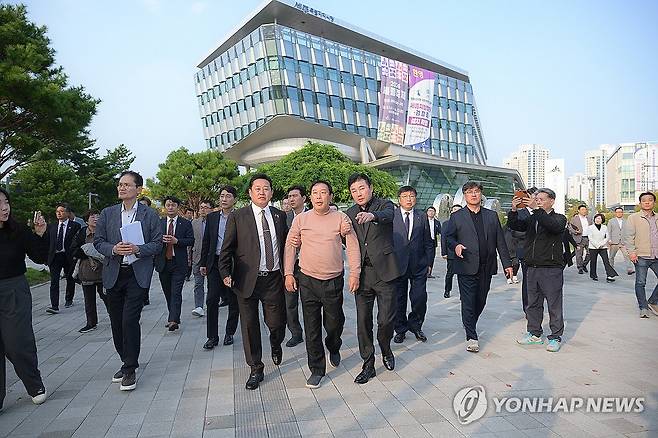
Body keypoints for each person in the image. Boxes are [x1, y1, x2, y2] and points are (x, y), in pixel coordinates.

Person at [284, 180, 360, 389]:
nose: (319, 196)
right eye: (315, 193)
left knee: (334, 323)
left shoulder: (341, 218)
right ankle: (317, 369)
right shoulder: (301, 219)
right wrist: (289, 273)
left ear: (331, 196)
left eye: (323, 192)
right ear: (310, 197)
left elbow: (352, 246)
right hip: (307, 279)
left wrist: (355, 273)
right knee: (312, 327)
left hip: (333, 280)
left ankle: (333, 345)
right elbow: (290, 246)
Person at [94, 170, 162, 391]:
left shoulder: (149, 215)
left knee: (129, 320)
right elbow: (98, 241)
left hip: (136, 273)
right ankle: (126, 360)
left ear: (138, 189)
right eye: (120, 185)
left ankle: (130, 368)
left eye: (127, 185)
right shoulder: (108, 213)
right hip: (114, 273)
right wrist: (113, 248)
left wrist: (137, 249)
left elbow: (157, 244)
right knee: (116, 322)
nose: (121, 188)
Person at [219, 174, 288, 390]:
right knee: (249, 326)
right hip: (246, 280)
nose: (261, 192)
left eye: (266, 188)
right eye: (257, 188)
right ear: (250, 192)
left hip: (274, 279)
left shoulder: (279, 216)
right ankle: (256, 368)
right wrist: (225, 273)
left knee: (276, 323)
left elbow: (287, 246)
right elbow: (227, 248)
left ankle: (276, 343)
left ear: (271, 192)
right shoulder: (238, 216)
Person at [345, 173, 401, 384]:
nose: (358, 193)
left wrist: (373, 216)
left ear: (370, 188)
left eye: (361, 188)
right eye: (353, 190)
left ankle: (385, 347)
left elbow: (389, 215)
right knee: (363, 321)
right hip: (363, 275)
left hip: (386, 273)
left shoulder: (384, 205)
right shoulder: (349, 213)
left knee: (385, 320)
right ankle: (368, 364)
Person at [445, 181, 512, 353]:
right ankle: (471, 336)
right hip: (466, 265)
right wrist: (456, 246)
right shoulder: (457, 216)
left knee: (480, 300)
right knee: (468, 302)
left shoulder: (491, 215)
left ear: (481, 194)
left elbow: (500, 242)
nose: (473, 194)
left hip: (486, 266)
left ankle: (469, 323)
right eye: (469, 192)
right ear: (465, 196)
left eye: (476, 191)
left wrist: (507, 264)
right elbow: (449, 237)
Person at [0, 188, 49, 408]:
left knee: (17, 343)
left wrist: (40, 234)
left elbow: (39, 257)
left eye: (6, 202)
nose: (4, 207)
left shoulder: (18, 230)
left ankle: (34, 384)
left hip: (14, 291)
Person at [508, 188, 567, 352]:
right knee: (532, 303)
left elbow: (552, 227)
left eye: (541, 199)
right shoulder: (533, 218)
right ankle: (534, 333)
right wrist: (513, 210)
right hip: (532, 267)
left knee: (554, 304)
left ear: (552, 201)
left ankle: (555, 336)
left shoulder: (559, 219)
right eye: (536, 198)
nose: (538, 201)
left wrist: (535, 209)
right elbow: (515, 226)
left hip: (551, 268)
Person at [392, 186, 434, 344]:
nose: (408, 199)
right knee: (399, 299)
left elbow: (429, 242)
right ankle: (400, 329)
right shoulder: (393, 216)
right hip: (398, 265)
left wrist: (430, 262)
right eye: (405, 196)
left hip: (419, 265)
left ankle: (416, 325)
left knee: (419, 298)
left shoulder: (422, 216)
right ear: (399, 199)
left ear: (416, 198)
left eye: (411, 196)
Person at [200, 186, 240, 349]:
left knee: (233, 299)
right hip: (215, 263)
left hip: (234, 263)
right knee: (211, 299)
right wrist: (203, 263)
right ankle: (212, 336)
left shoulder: (240, 216)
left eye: (228, 196)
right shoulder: (212, 217)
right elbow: (207, 241)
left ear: (234, 200)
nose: (224, 199)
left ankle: (230, 332)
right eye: (222, 196)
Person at [155, 196, 194, 331]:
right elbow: (153, 240)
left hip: (179, 263)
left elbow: (191, 240)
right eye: (168, 205)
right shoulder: (159, 223)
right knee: (168, 292)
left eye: (173, 205)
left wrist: (177, 241)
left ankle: (173, 320)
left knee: (176, 292)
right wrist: (161, 239)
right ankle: (173, 315)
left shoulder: (185, 223)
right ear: (165, 207)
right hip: (163, 262)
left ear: (178, 207)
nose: (170, 207)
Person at [622, 192, 658, 318]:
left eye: (650, 200)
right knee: (641, 282)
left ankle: (653, 302)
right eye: (644, 200)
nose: (647, 202)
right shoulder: (634, 218)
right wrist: (631, 252)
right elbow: (629, 237)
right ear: (640, 203)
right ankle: (643, 307)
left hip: (656, 256)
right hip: (641, 255)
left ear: (654, 202)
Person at [71, 210, 106, 333]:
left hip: (103, 270)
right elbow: (73, 249)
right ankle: (91, 323)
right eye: (92, 217)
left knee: (107, 297)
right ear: (86, 220)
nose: (96, 219)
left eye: (98, 216)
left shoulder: (105, 231)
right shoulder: (81, 233)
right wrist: (86, 252)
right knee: (89, 300)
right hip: (86, 270)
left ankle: (117, 318)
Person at [46, 202, 81, 313]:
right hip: (55, 256)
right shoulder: (52, 226)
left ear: (68, 213)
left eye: (62, 211)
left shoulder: (75, 226)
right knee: (54, 281)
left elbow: (77, 242)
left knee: (70, 278)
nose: (59, 213)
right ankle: (54, 305)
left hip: (68, 256)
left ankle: (68, 298)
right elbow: (48, 242)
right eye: (57, 211)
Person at [284, 185, 307, 348]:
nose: (291, 199)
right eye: (289, 196)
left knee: (309, 302)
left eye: (295, 196)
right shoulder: (283, 217)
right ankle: (295, 333)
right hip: (291, 266)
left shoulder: (314, 215)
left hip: (308, 265)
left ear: (304, 198)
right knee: (289, 301)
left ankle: (313, 330)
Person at [190, 200, 213, 317]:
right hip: (197, 257)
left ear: (211, 209)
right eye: (201, 207)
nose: (203, 209)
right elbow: (191, 241)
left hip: (211, 258)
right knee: (198, 283)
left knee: (212, 284)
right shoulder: (194, 223)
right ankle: (198, 306)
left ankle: (211, 304)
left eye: (206, 207)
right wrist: (189, 258)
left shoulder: (214, 222)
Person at [586, 213, 618, 282]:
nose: (598, 220)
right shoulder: (590, 227)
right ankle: (593, 275)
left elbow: (607, 237)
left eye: (599, 218)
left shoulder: (605, 227)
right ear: (594, 219)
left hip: (603, 247)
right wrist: (597, 245)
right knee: (593, 262)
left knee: (606, 261)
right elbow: (590, 237)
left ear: (602, 220)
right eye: (596, 218)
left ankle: (609, 275)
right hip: (593, 247)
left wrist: (601, 244)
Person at [441, 204, 462, 298]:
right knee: (450, 273)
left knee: (463, 275)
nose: (456, 211)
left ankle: (463, 293)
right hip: (451, 253)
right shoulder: (446, 223)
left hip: (463, 253)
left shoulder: (466, 222)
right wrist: (444, 252)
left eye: (458, 210)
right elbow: (443, 239)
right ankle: (447, 290)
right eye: (454, 210)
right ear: (451, 211)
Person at [608, 207, 634, 275]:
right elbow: (608, 231)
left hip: (623, 242)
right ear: (615, 213)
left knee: (627, 256)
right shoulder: (611, 221)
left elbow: (629, 231)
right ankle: (611, 269)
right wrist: (609, 240)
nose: (619, 213)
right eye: (617, 212)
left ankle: (629, 269)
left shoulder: (626, 221)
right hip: (614, 242)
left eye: (620, 212)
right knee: (611, 257)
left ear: (622, 213)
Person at [569, 205, 592, 274]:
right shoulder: (574, 219)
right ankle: (580, 267)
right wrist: (575, 232)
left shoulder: (589, 218)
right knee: (579, 254)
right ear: (579, 210)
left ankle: (584, 264)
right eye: (582, 209)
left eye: (585, 209)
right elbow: (570, 228)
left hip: (588, 238)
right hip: (579, 238)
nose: (584, 211)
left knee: (590, 253)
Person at [426, 206, 441, 278]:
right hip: (424, 242)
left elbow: (441, 232)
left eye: (432, 211)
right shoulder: (423, 221)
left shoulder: (437, 222)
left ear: (435, 213)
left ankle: (429, 273)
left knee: (431, 258)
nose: (431, 212)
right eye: (429, 211)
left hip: (432, 242)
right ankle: (423, 272)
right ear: (427, 212)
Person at [184, 207, 195, 281]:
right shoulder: (182, 222)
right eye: (188, 213)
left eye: (190, 213)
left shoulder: (194, 222)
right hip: (184, 244)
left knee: (190, 259)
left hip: (192, 244)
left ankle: (188, 274)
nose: (189, 214)